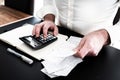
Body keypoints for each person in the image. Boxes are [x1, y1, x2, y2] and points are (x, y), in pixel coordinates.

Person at [32, 0, 120, 58]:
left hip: (101, 50)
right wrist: (48, 19)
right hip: (59, 41)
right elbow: (49, 2)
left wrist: (103, 36)